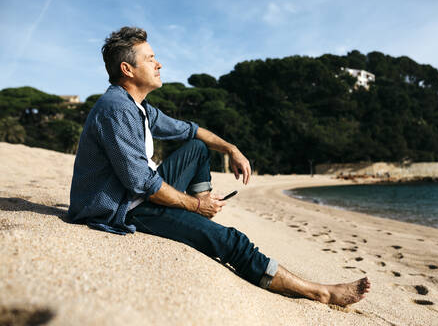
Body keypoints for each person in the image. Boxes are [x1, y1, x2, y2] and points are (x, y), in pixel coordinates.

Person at [68, 26, 370, 307]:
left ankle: (205, 216)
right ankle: (321, 292)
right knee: (232, 241)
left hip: (133, 192)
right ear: (127, 69)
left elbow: (191, 131)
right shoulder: (116, 110)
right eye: (150, 59)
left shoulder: (139, 106)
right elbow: (141, 184)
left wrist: (231, 148)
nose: (158, 64)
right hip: (122, 207)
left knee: (197, 148)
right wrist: (195, 206)